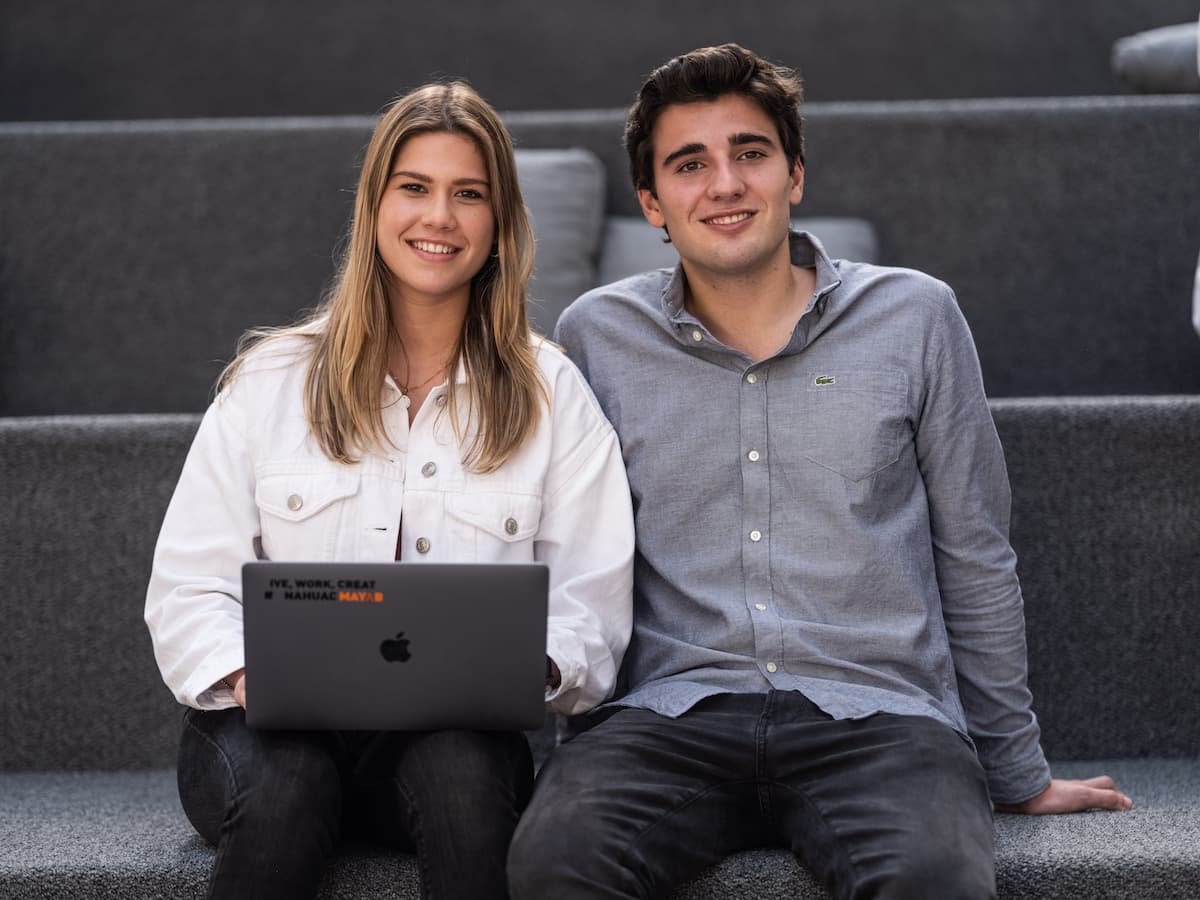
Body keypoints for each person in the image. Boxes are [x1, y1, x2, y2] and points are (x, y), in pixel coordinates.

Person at [507, 44, 1131, 900]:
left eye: (750, 153)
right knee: (553, 863)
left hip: (881, 717)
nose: (724, 183)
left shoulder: (916, 316)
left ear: (794, 175)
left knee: (936, 881)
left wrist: (1015, 767)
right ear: (653, 203)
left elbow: (976, 552)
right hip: (667, 719)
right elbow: (562, 547)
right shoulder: (595, 337)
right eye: (691, 165)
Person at [144, 81, 633, 900]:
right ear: (374, 207)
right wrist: (245, 677)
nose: (439, 217)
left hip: (451, 740)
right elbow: (188, 586)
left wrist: (529, 663)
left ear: (500, 225)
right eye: (414, 187)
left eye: (468, 194)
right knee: (288, 786)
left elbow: (592, 603)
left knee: (465, 783)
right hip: (269, 735)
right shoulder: (272, 381)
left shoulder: (554, 393)